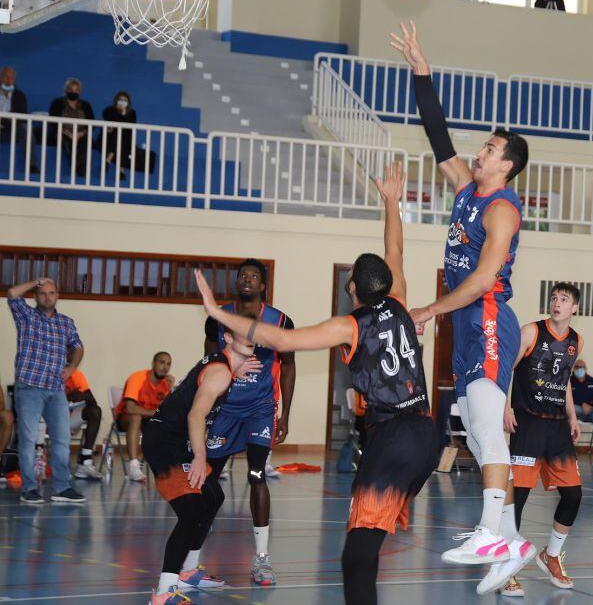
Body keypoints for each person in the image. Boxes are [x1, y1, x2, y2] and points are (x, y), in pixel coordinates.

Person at [194, 163, 440, 605]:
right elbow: (396, 249)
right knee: (371, 541)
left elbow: (280, 338)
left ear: (355, 290)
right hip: (427, 435)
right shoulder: (400, 301)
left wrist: (219, 313)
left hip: (392, 437)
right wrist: (390, 201)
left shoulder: (351, 324)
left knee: (357, 555)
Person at [391, 21, 530, 567]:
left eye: (491, 148)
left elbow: (481, 281)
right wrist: (422, 72)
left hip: (490, 317)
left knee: (491, 434)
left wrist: (428, 309)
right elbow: (437, 136)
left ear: (507, 165)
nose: (481, 151)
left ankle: (492, 533)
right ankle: (512, 539)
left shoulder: (501, 209)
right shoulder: (466, 188)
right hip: (468, 323)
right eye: (485, 145)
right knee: (473, 431)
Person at [143, 331, 260, 605]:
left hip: (177, 440)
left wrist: (237, 365)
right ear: (228, 338)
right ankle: (163, 593)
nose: (251, 337)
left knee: (213, 497)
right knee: (191, 512)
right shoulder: (220, 371)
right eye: (243, 334)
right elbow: (196, 414)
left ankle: (187, 572)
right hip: (165, 442)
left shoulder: (222, 365)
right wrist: (199, 455)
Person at [202, 260, 296, 586]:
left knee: (257, 476)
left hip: (260, 409)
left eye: (254, 276)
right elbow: (210, 362)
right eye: (243, 275)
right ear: (236, 282)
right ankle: (189, 560)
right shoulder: (218, 317)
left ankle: (261, 559)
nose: (247, 279)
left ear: (263, 287)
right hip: (226, 410)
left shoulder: (281, 321)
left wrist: (285, 413)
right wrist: (207, 403)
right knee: (206, 479)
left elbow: (288, 366)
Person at [492, 283, 584, 597]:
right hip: (528, 423)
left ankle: (551, 555)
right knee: (518, 498)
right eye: (554, 298)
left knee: (573, 496)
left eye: (564, 299)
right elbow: (507, 366)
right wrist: (504, 405)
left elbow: (566, 379)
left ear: (574, 308)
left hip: (557, 427)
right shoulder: (531, 332)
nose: (557, 303)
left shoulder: (576, 341)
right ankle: (505, 567)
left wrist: (572, 416)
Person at [6, 277, 86, 504]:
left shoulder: (66, 323)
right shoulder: (26, 316)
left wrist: (71, 368)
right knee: (29, 439)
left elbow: (78, 346)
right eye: (42, 293)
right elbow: (12, 293)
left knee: (61, 439)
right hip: (29, 387)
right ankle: (29, 489)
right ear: (35, 296)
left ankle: (62, 488)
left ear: (57, 296)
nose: (47, 297)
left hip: (56, 389)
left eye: (51, 293)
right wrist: (35, 281)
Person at [116, 353, 175, 482]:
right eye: (161, 362)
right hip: (126, 418)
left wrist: (172, 390)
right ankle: (134, 467)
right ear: (153, 363)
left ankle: (168, 465)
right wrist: (156, 413)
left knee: (171, 422)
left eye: (168, 364)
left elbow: (171, 411)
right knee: (136, 416)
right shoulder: (138, 377)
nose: (164, 367)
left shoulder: (166, 384)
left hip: (148, 420)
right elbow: (130, 408)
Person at [99, 91, 155, 180]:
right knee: (118, 132)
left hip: (126, 142)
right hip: (108, 140)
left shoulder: (132, 113)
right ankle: (121, 170)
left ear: (128, 103)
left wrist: (124, 113)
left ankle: (109, 159)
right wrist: (117, 112)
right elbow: (109, 120)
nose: (122, 102)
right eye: (120, 100)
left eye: (125, 100)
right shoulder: (109, 110)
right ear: (116, 101)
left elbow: (130, 128)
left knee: (124, 134)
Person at [47, 78, 94, 176]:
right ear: (66, 90)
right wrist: (67, 132)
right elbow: (53, 121)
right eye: (71, 89)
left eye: (76, 90)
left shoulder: (86, 105)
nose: (74, 92)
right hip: (63, 133)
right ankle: (76, 166)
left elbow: (92, 123)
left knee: (86, 141)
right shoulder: (57, 103)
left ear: (80, 92)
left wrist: (80, 134)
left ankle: (81, 169)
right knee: (68, 140)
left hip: (81, 134)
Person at [63, 368, 104, 480]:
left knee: (95, 411)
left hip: (70, 416)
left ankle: (85, 460)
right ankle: (54, 464)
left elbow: (92, 402)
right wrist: (67, 396)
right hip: (49, 417)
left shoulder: (75, 374)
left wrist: (82, 396)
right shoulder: (45, 370)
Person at [0, 65, 37, 173]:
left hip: (13, 126)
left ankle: (32, 165)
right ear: (0, 77)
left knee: (25, 128)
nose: (8, 80)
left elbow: (22, 115)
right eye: (6, 76)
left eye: (11, 77)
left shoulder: (20, 96)